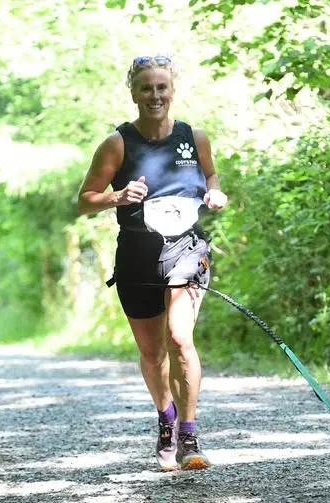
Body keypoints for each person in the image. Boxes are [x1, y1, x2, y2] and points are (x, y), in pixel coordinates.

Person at [76, 54, 229, 471]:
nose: (155, 95)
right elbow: (83, 199)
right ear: (134, 92)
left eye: (162, 87)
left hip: (187, 249)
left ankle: (189, 434)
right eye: (147, 88)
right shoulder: (117, 143)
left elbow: (210, 177)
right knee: (152, 351)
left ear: (173, 90)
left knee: (180, 338)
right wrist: (115, 196)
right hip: (137, 255)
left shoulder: (194, 137)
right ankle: (166, 418)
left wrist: (214, 194)